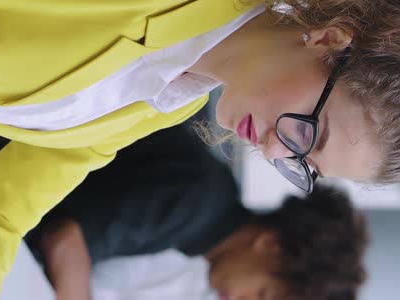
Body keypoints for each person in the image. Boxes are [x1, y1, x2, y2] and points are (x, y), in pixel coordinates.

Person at [0, 0, 400, 298]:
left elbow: (2, 213)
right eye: (308, 135)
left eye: (305, 167)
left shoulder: (170, 102)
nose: (274, 150)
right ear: (329, 39)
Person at [20, 124, 368, 300]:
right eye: (263, 296)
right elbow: (64, 239)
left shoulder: (203, 214)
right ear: (271, 245)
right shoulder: (198, 202)